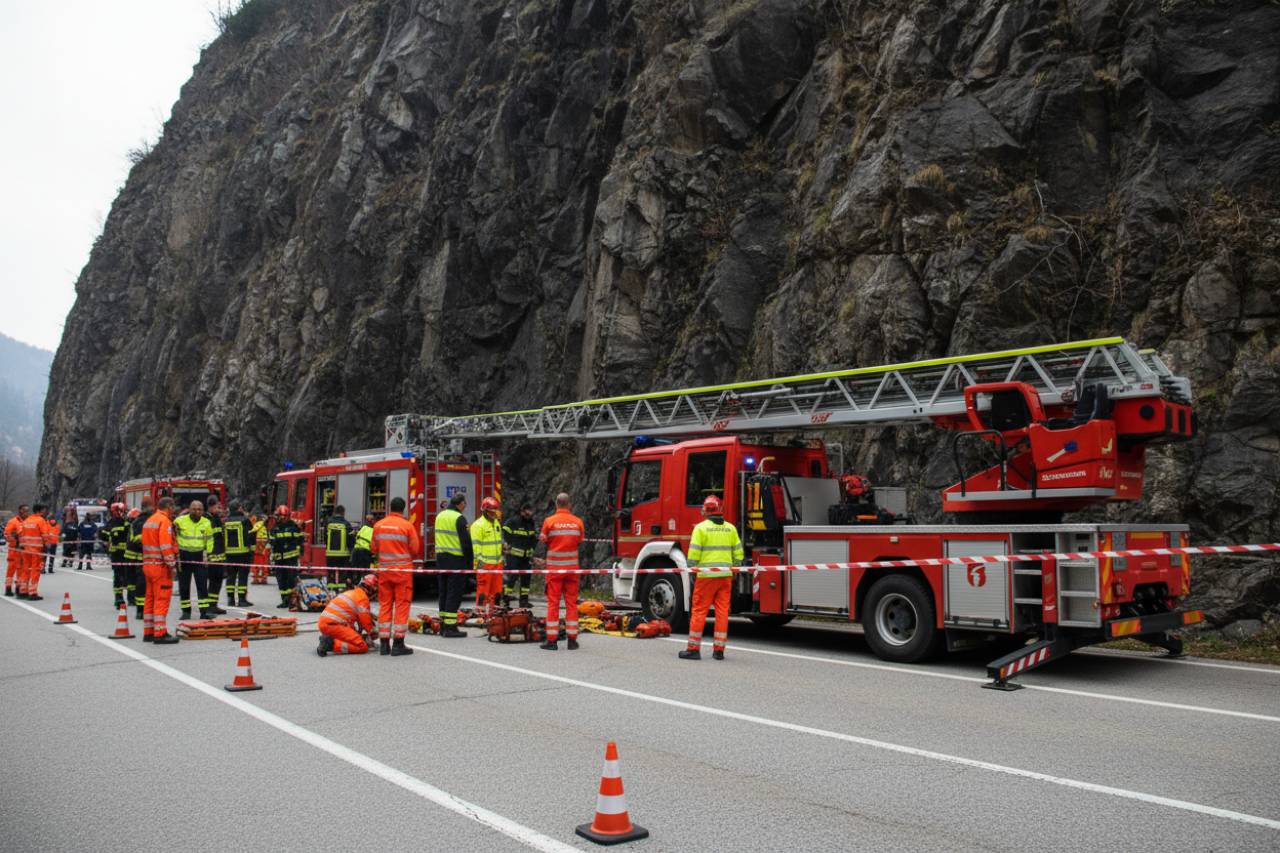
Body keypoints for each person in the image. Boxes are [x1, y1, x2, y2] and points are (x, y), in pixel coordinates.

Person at [678, 495, 744, 661]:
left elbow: (693, 554)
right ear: (720, 509)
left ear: (705, 511)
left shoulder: (701, 528)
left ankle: (693, 649)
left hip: (706, 577)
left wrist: (691, 570)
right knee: (722, 612)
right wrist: (734, 568)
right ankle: (719, 650)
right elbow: (739, 553)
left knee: (699, 611)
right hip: (725, 576)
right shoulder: (730, 529)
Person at [372, 497, 420, 656]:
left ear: (389, 508)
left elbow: (373, 548)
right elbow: (415, 550)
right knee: (401, 604)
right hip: (402, 573)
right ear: (403, 509)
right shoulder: (407, 526)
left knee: (385, 604)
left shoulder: (378, 525)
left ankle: (384, 644)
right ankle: (398, 644)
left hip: (384, 571)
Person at [537, 493, 585, 651]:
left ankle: (552, 641)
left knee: (553, 604)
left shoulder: (549, 522)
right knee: (571, 604)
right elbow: (579, 541)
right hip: (572, 570)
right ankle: (572, 640)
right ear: (569, 504)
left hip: (555, 570)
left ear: (556, 504)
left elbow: (543, 540)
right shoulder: (578, 522)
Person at [433, 493, 472, 638]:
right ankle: (450, 627)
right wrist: (469, 564)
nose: (465, 506)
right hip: (456, 560)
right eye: (464, 504)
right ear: (460, 503)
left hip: (441, 559)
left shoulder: (440, 516)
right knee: (454, 593)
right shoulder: (458, 518)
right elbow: (466, 543)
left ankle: (443, 625)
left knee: (443, 592)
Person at [141, 497, 179, 643]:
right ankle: (160, 633)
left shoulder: (149, 521)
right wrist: (172, 565)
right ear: (168, 506)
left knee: (149, 599)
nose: (174, 509)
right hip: (160, 567)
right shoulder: (164, 522)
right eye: (173, 506)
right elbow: (165, 546)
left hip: (148, 565)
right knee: (161, 599)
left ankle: (148, 632)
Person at [317, 573, 379, 656]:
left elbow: (360, 619)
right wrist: (374, 632)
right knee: (362, 646)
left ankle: (329, 639)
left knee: (355, 636)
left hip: (326, 624)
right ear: (370, 589)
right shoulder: (362, 599)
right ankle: (331, 645)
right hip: (333, 625)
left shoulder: (353, 593)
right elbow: (366, 624)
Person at [173, 500, 214, 618]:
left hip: (200, 556)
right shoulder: (179, 521)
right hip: (183, 556)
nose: (197, 511)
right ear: (189, 509)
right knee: (184, 586)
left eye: (200, 509)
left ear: (203, 511)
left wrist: (209, 554)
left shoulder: (206, 522)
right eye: (194, 509)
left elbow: (210, 540)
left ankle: (204, 612)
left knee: (202, 585)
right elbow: (173, 536)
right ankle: (186, 611)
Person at [501, 503, 538, 608]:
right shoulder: (513, 521)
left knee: (526, 580)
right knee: (511, 580)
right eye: (527, 512)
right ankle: (506, 601)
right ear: (522, 512)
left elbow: (533, 539)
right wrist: (507, 545)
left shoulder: (531, 523)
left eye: (530, 511)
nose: (529, 514)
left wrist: (532, 552)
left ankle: (524, 601)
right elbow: (504, 534)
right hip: (513, 557)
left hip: (526, 558)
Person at [471, 496, 504, 613]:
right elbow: (476, 547)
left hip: (497, 563)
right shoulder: (477, 525)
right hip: (485, 564)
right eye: (491, 512)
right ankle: (480, 614)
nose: (494, 514)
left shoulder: (496, 523)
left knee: (497, 592)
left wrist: (503, 551)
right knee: (483, 592)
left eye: (495, 512)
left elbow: (499, 541)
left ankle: (496, 615)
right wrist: (479, 564)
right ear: (485, 511)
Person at [268, 505, 303, 608]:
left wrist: (298, 553)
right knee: (281, 579)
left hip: (291, 559)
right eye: (281, 516)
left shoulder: (294, 526)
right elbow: (272, 541)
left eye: (284, 516)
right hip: (279, 559)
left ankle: (291, 600)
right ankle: (284, 600)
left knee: (291, 579)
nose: (282, 518)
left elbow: (299, 541)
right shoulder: (275, 528)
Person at [19, 504, 56, 600]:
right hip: (37, 550)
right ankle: (33, 593)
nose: (45, 512)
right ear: (40, 511)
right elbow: (45, 535)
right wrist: (48, 544)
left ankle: (23, 591)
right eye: (44, 510)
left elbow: (21, 535)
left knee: (26, 569)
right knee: (35, 570)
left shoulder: (26, 520)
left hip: (26, 550)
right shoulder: (41, 520)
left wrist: (22, 546)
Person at [222, 501, 255, 607]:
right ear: (239, 508)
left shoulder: (225, 521)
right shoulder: (245, 520)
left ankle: (230, 599)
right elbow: (250, 535)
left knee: (231, 577)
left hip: (229, 554)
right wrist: (252, 550)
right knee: (242, 576)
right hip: (243, 553)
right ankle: (241, 600)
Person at [98, 503, 131, 606]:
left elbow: (102, 536)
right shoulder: (126, 523)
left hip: (117, 554)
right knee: (125, 576)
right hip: (124, 554)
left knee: (119, 576)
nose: (126, 513)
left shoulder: (110, 524)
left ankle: (119, 598)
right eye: (124, 511)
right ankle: (124, 597)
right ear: (119, 512)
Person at [125, 499, 153, 618]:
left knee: (138, 582)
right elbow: (137, 540)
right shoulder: (143, 521)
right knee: (142, 583)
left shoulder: (136, 521)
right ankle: (141, 609)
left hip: (138, 557)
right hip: (144, 557)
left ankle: (140, 608)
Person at [203, 502, 229, 615]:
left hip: (219, 556)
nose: (219, 510)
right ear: (211, 506)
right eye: (217, 507)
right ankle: (207, 606)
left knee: (217, 581)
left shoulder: (216, 518)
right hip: (210, 556)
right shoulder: (206, 519)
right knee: (211, 581)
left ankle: (213, 605)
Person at [324, 505, 353, 596]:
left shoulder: (328, 523)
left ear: (334, 512)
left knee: (331, 573)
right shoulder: (346, 524)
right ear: (343, 513)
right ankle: (341, 593)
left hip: (330, 554)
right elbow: (350, 539)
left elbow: (325, 537)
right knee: (342, 574)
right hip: (343, 555)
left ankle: (331, 592)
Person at [4, 504, 29, 596]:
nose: (27, 512)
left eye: (27, 510)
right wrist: (15, 539)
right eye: (25, 510)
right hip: (14, 550)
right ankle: (8, 588)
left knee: (21, 570)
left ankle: (19, 588)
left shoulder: (29, 522)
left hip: (24, 550)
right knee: (11, 569)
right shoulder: (13, 522)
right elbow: (7, 534)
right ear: (20, 511)